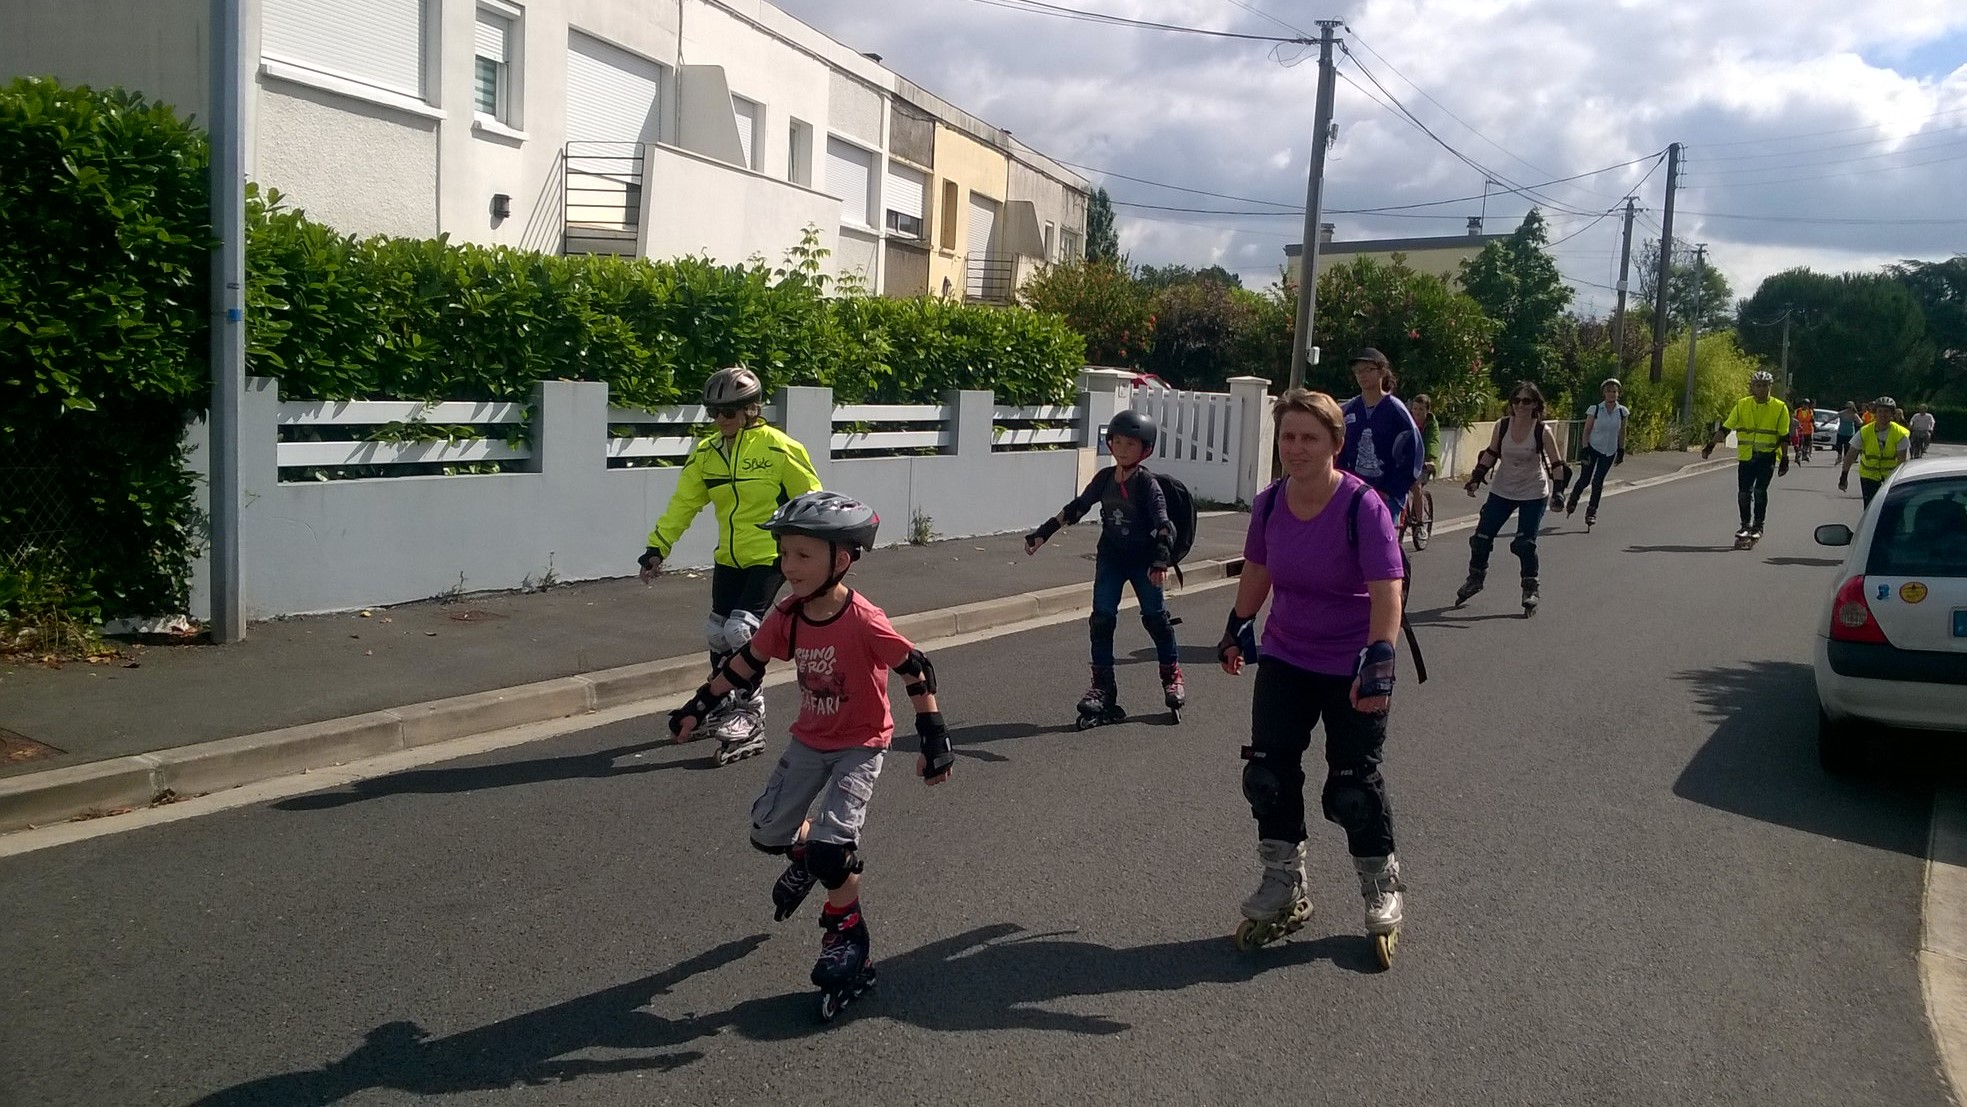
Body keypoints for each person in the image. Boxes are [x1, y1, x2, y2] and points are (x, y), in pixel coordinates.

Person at [669, 491, 954, 1019]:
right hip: (808, 740)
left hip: (860, 743)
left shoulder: (864, 618)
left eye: (803, 555)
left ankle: (847, 940)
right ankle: (804, 849)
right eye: (785, 554)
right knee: (766, 835)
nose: (788, 566)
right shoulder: (790, 614)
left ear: (840, 559)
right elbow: (746, 662)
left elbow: (915, 667)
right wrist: (698, 704)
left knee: (833, 853)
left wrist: (934, 737)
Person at [1216, 389, 1407, 966]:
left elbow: (1386, 589)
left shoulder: (1361, 506)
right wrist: (1236, 625)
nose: (1295, 448)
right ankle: (1285, 881)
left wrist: (1378, 661)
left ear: (1334, 445)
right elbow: (1260, 567)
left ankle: (1381, 884)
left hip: (1350, 661)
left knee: (1352, 785)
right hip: (1287, 654)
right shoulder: (1270, 503)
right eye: (1288, 436)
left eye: (1309, 438)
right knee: (1268, 774)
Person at [640, 366, 823, 766]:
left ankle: (750, 710)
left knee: (741, 628)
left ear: (752, 409)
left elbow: (810, 501)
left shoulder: (779, 447)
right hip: (729, 557)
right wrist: (658, 546)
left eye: (731, 411)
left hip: (770, 554)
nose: (723, 419)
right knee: (716, 633)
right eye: (716, 412)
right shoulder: (706, 453)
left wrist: (814, 558)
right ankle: (720, 700)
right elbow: (684, 503)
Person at [1025, 409, 1182, 728]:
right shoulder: (1104, 479)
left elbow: (1164, 525)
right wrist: (1042, 533)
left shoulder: (1147, 484)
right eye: (1118, 441)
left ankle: (1171, 675)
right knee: (1101, 620)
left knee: (1157, 620)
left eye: (1131, 443)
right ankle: (1103, 688)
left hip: (1143, 560)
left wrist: (1161, 560)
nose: (1123, 449)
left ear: (1145, 449)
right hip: (1111, 556)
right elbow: (1077, 508)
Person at [1455, 382, 1567, 614]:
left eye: (1526, 401)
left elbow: (1557, 464)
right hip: (1503, 489)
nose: (1520, 405)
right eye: (1516, 400)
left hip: (1533, 492)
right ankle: (1475, 578)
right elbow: (1492, 452)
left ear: (1535, 404)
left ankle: (1530, 587)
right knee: (1481, 538)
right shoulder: (1503, 425)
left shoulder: (1541, 430)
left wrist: (1558, 492)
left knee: (1524, 544)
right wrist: (1476, 477)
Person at [1701, 370, 1790, 543]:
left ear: (1770, 387)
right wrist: (1710, 446)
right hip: (1746, 457)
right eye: (1758, 386)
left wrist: (1785, 459)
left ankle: (1758, 526)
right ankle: (1744, 525)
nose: (1762, 389)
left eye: (1765, 386)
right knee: (1743, 493)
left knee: (1759, 491)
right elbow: (1726, 428)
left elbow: (1784, 435)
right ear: (1752, 387)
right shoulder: (1742, 405)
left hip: (1767, 456)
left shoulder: (1779, 407)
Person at [1336, 348, 1422, 519]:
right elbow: (1339, 449)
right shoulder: (1349, 409)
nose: (1361, 375)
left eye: (1368, 369)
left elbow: (1415, 452)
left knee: (1382, 543)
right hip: (1353, 493)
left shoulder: (1396, 410)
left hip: (1385, 497)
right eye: (1357, 371)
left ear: (1382, 371)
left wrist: (1392, 491)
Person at [1565, 377, 1628, 527]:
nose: (1612, 394)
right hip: (1593, 448)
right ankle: (1574, 498)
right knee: (1585, 479)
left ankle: (1591, 511)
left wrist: (1621, 449)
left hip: (1610, 451)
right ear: (1604, 393)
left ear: (1618, 393)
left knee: (1598, 482)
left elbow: (1622, 432)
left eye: (1614, 391)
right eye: (1609, 391)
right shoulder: (1595, 410)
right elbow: (1586, 431)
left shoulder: (1622, 412)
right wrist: (1585, 448)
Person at [1840, 396, 1911, 508]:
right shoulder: (1865, 431)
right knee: (1870, 508)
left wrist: (1900, 481)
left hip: (1890, 477)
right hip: (1869, 476)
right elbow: (1851, 454)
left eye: (1887, 412)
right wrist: (1844, 476)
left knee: (1891, 508)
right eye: (1880, 411)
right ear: (1875, 413)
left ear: (1892, 414)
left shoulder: (1900, 433)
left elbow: (1902, 460)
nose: (1883, 415)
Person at [1792, 398, 1814, 463]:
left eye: (1806, 404)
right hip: (1800, 430)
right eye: (1804, 404)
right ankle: (1797, 457)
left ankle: (1804, 455)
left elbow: (1812, 420)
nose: (1805, 406)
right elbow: (1794, 419)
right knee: (1799, 444)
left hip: (1808, 430)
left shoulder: (1810, 411)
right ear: (1802, 405)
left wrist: (1814, 424)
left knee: (1807, 444)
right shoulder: (1798, 411)